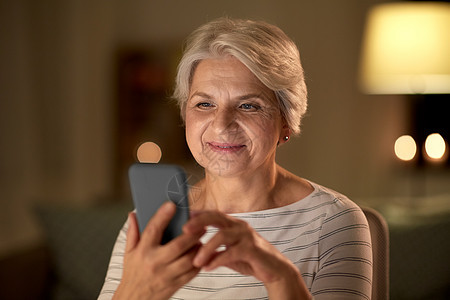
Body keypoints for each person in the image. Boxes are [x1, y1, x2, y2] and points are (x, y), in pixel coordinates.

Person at [99, 17, 372, 300]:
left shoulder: (332, 222)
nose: (221, 124)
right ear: (185, 115)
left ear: (286, 122)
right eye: (204, 104)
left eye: (248, 105)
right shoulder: (150, 226)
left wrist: (281, 278)